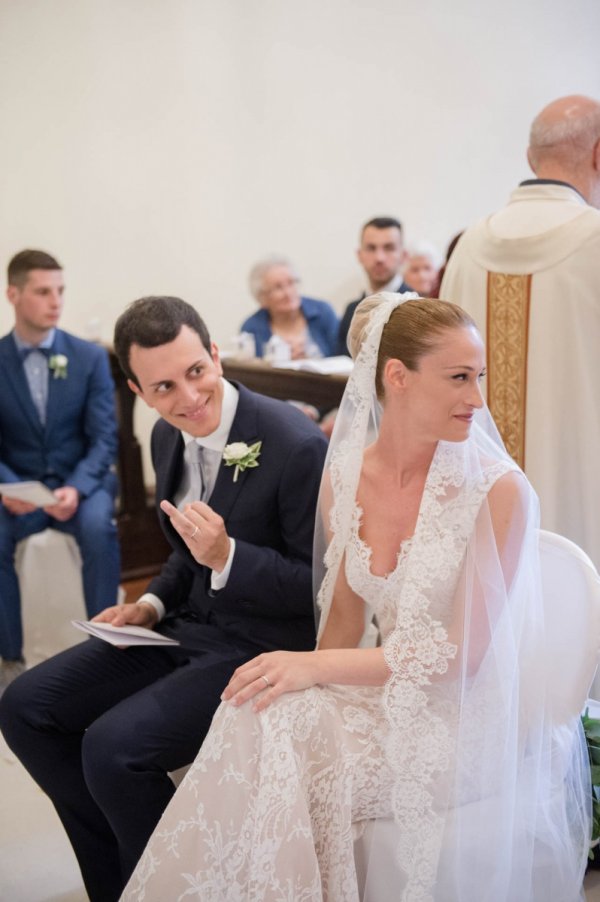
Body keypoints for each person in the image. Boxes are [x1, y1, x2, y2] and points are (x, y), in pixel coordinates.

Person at [121, 296, 590, 901]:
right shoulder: (346, 479)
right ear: (396, 377)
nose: (478, 398)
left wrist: (311, 666)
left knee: (283, 754)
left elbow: (460, 657)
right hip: (386, 692)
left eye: (478, 377)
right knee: (258, 712)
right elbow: (342, 619)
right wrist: (301, 680)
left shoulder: (500, 493)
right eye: (458, 377)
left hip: (465, 719)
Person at [0, 296, 328, 901]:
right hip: (182, 626)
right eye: (164, 387)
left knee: (113, 748)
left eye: (197, 372)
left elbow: (318, 590)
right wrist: (147, 605)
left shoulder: (294, 443)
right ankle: (126, 880)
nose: (188, 399)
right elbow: (182, 550)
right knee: (25, 707)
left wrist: (229, 558)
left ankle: (180, 888)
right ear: (139, 390)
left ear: (215, 354)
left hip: (263, 644)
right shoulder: (164, 438)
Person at [440, 94, 600, 568]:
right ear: (597, 155)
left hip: (477, 493)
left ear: (530, 158)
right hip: (583, 490)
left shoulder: (469, 244)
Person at [0, 249, 120, 688]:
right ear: (13, 293)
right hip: (17, 491)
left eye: (60, 291)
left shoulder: (87, 358)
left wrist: (76, 487)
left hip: (82, 486)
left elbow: (104, 437)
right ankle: (9, 657)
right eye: (43, 291)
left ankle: (106, 649)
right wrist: (12, 488)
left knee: (97, 529)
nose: (56, 301)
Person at [335, 216, 412, 356]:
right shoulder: (351, 310)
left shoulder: (417, 306)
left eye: (389, 248)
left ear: (404, 255)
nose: (379, 258)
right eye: (371, 248)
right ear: (359, 255)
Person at [241, 255, 339, 359]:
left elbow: (344, 358)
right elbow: (250, 370)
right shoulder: (252, 327)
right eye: (278, 287)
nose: (288, 293)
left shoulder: (322, 312)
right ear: (262, 297)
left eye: (291, 283)